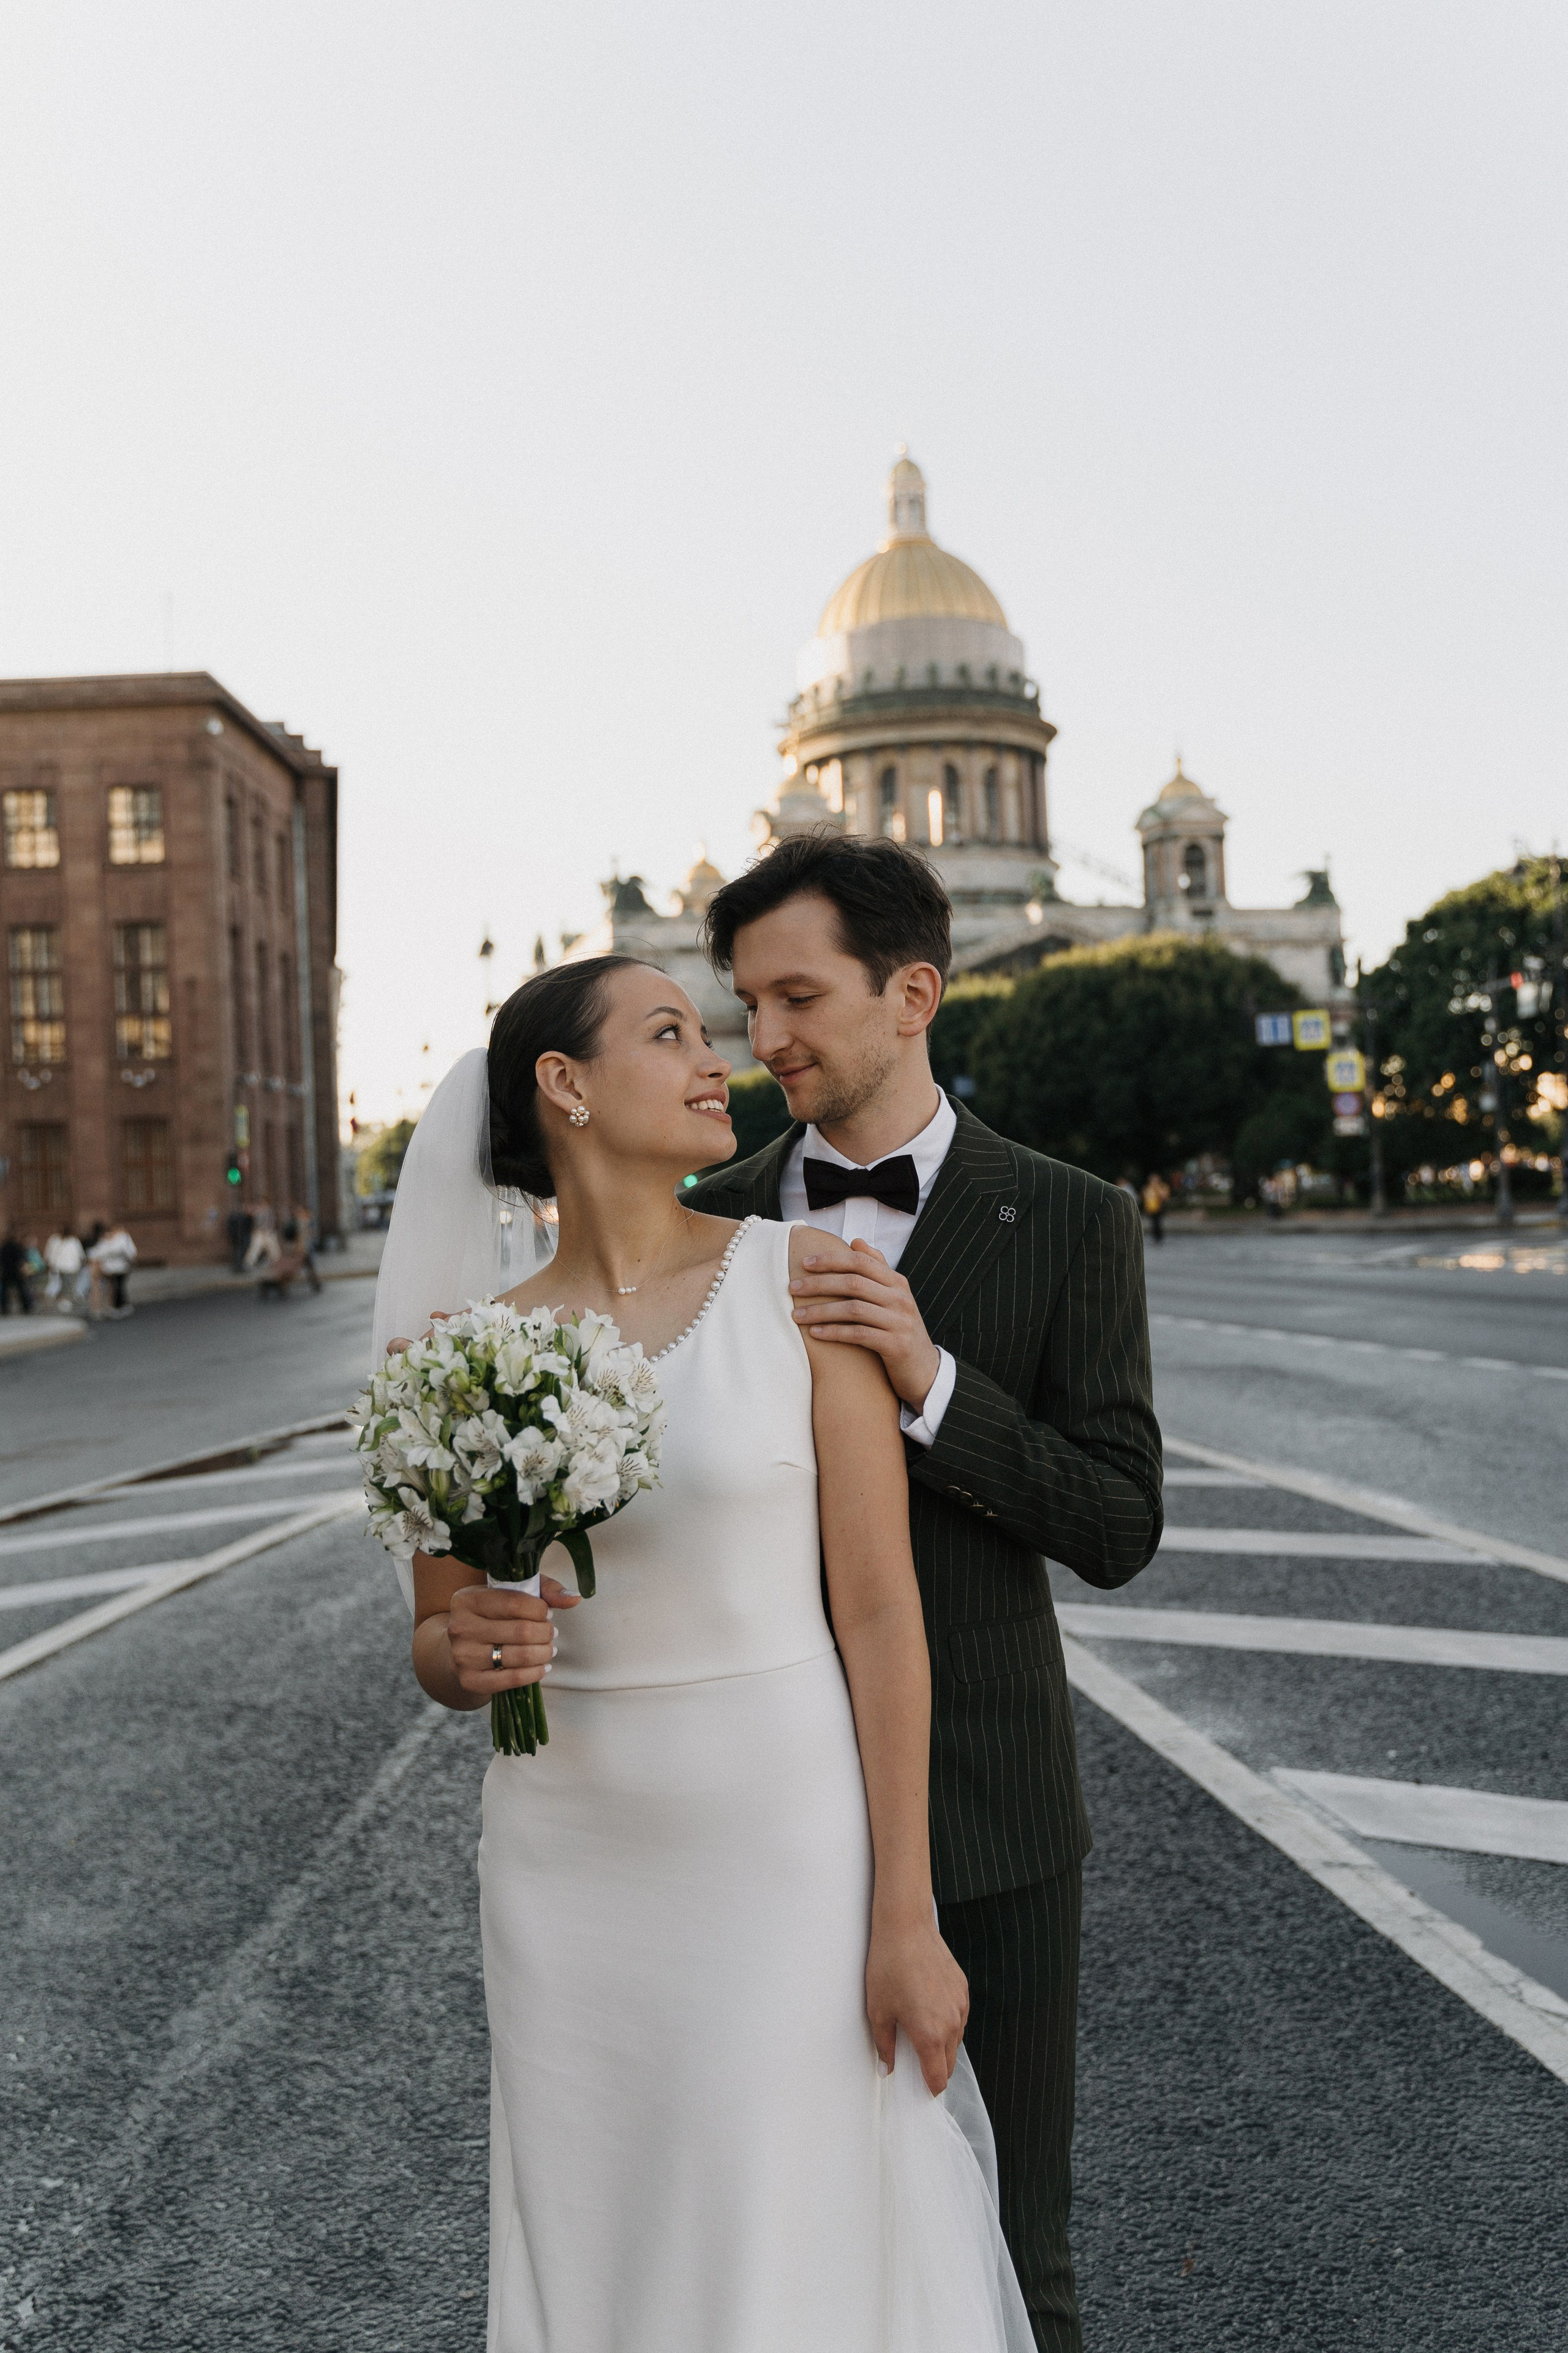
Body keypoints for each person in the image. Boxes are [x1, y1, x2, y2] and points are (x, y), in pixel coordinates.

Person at [373, 961, 1035, 2352]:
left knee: (789, 2227)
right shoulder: (462, 1354)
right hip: (566, 1867)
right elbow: (437, 1636)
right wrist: (465, 1646)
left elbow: (877, 1612)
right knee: (612, 2235)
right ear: (564, 1084)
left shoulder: (807, 1283)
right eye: (667, 1032)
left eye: (705, 1030)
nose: (713, 1056)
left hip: (785, 1857)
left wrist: (905, 1913)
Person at [688, 834, 1164, 2353]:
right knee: (777, 2238)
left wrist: (928, 1376)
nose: (762, 1041)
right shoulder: (702, 1216)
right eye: (744, 1003)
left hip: (991, 1814)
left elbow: (1113, 1521)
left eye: (796, 996)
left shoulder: (1072, 1216)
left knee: (1015, 2250)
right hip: (747, 1818)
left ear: (912, 994)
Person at [89, 1221, 138, 1317]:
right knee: (114, 1287)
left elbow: (128, 1252)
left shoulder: (122, 1238)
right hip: (110, 1269)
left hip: (119, 1268)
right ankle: (111, 1306)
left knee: (117, 1286)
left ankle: (116, 1306)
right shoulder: (107, 1241)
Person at [0, 1231, 32, 1315]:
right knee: (22, 1289)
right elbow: (21, 1260)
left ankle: (5, 1308)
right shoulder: (18, 1247)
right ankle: (27, 1307)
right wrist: (23, 1270)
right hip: (16, 1272)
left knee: (5, 1291)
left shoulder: (4, 1248)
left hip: (7, 1271)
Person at [1140, 1169, 1169, 1244]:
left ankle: (1159, 1237)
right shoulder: (1148, 1188)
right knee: (1153, 1223)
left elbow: (1165, 1197)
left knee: (1158, 1223)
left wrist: (1156, 1189)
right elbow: (1145, 1197)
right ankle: (1156, 1237)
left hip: (1159, 1208)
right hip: (1151, 1208)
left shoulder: (1162, 1186)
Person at [226, 1201, 254, 1274]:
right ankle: (238, 1266)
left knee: (240, 1251)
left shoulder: (245, 1217)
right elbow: (232, 1227)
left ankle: (239, 1266)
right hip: (239, 1237)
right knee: (239, 1251)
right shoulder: (237, 1217)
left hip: (241, 1237)